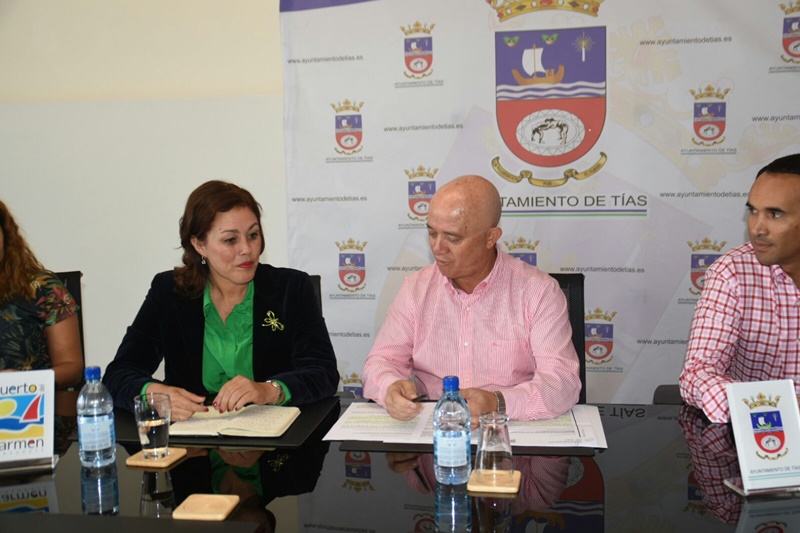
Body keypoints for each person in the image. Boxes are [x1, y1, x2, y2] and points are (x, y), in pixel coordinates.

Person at [103, 181, 338, 420]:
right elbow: (118, 375)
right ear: (199, 245)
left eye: (253, 235)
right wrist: (154, 394)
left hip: (276, 434)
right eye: (230, 240)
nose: (247, 249)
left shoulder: (291, 288)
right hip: (193, 436)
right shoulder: (169, 292)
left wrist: (268, 390)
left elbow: (323, 373)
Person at [361, 175, 581, 423]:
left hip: (508, 430)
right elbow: (381, 362)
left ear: (490, 237)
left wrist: (498, 402)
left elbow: (562, 383)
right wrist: (390, 388)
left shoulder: (537, 291)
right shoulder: (416, 289)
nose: (438, 247)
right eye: (432, 233)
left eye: (453, 238)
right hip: (436, 429)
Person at [680, 153, 800, 423]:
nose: (757, 228)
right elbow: (697, 373)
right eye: (753, 211)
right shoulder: (733, 272)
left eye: (774, 214)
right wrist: (776, 406)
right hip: (758, 433)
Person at [0, 200, 83, 388]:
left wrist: (22, 381)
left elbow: (71, 367)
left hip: (27, 401)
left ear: (6, 235)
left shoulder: (42, 287)